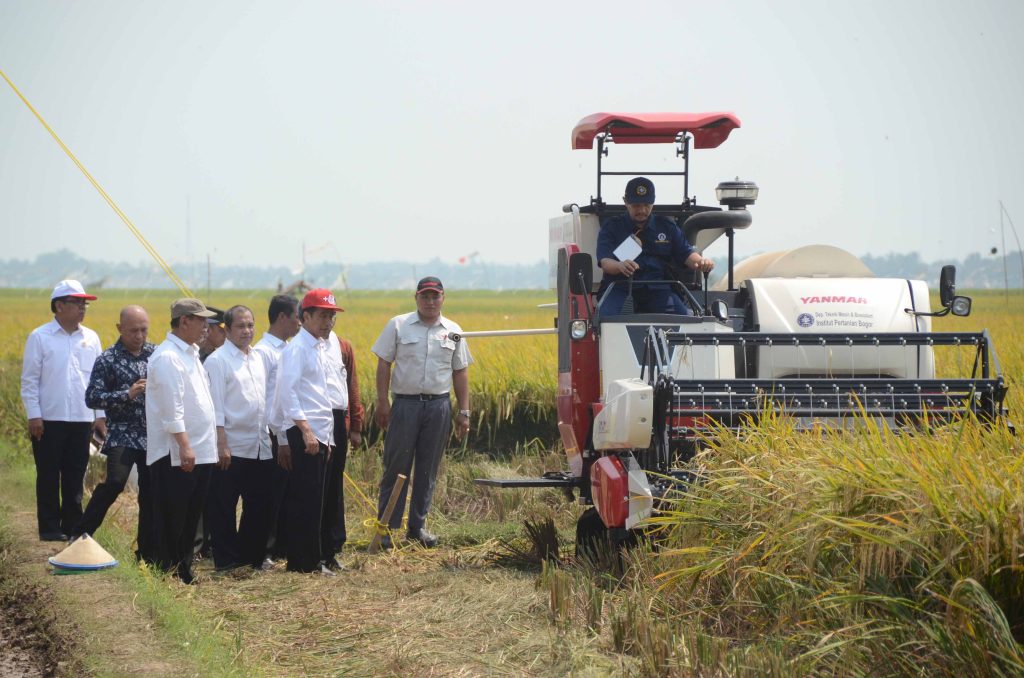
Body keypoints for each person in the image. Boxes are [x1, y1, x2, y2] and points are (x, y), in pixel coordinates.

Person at [372, 276, 472, 549]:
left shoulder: (453, 330)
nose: (430, 301)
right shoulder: (398, 325)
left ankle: (417, 528)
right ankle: (387, 530)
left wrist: (464, 411)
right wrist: (383, 402)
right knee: (397, 466)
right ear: (416, 298)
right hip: (405, 405)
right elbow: (383, 364)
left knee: (427, 469)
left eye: (435, 296)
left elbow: (460, 372)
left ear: (443, 298)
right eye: (425, 296)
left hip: (439, 406)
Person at [20, 280, 106, 541]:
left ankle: (72, 526)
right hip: (48, 419)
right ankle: (48, 528)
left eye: (84, 304)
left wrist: (100, 416)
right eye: (76, 303)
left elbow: (98, 380)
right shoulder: (40, 337)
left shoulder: (91, 338)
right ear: (59, 305)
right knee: (47, 474)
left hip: (81, 418)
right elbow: (30, 380)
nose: (82, 308)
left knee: (75, 475)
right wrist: (34, 415)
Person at [72, 306, 155, 562]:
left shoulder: (157, 355)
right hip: (122, 432)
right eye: (133, 331)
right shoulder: (108, 359)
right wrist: (126, 394)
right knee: (116, 483)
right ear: (120, 329)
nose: (139, 336)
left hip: (152, 434)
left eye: (144, 330)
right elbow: (92, 397)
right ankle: (80, 535)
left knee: (151, 492)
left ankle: (147, 553)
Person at [146, 298, 218, 584]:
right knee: (173, 516)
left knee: (190, 516)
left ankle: (183, 569)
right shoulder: (167, 357)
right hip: (177, 453)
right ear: (184, 321)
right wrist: (185, 445)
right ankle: (168, 572)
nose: (206, 326)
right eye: (201, 320)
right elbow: (171, 409)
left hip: (199, 449)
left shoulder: (190, 354)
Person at [271, 288, 343, 574]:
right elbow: (288, 393)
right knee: (305, 499)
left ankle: (312, 559)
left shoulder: (321, 347)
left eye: (331, 316)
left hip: (322, 430)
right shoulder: (297, 349)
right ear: (306, 316)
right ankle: (303, 562)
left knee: (317, 499)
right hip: (306, 432)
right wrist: (305, 430)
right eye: (322, 316)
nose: (328, 322)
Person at [204, 305, 275, 572]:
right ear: (227, 329)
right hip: (231, 444)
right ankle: (226, 561)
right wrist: (221, 444)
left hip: (259, 444)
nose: (247, 331)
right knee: (223, 505)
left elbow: (265, 399)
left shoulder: (259, 357)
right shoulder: (218, 361)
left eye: (250, 325)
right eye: (240, 326)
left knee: (258, 505)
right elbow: (216, 408)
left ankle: (250, 557)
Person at [596, 176, 715, 316]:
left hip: (658, 289)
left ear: (653, 202)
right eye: (636, 206)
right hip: (620, 287)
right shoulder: (612, 227)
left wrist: (701, 262)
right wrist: (620, 266)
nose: (642, 210)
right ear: (625, 202)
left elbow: (686, 254)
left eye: (646, 205)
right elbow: (605, 262)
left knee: (684, 318)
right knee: (605, 317)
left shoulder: (666, 227)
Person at [251, 294, 302, 561]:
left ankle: (281, 545)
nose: (300, 323)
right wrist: (280, 438)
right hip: (272, 432)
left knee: (286, 491)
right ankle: (265, 550)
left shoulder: (288, 349)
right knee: (270, 492)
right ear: (282, 317)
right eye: (297, 317)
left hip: (287, 431)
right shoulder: (263, 352)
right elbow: (267, 400)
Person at [321, 321, 364, 569]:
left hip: (340, 422)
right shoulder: (303, 348)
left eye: (331, 316)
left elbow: (352, 387)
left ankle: (335, 541)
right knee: (319, 487)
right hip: (314, 423)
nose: (327, 321)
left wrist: (356, 426)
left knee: (335, 485)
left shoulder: (342, 347)